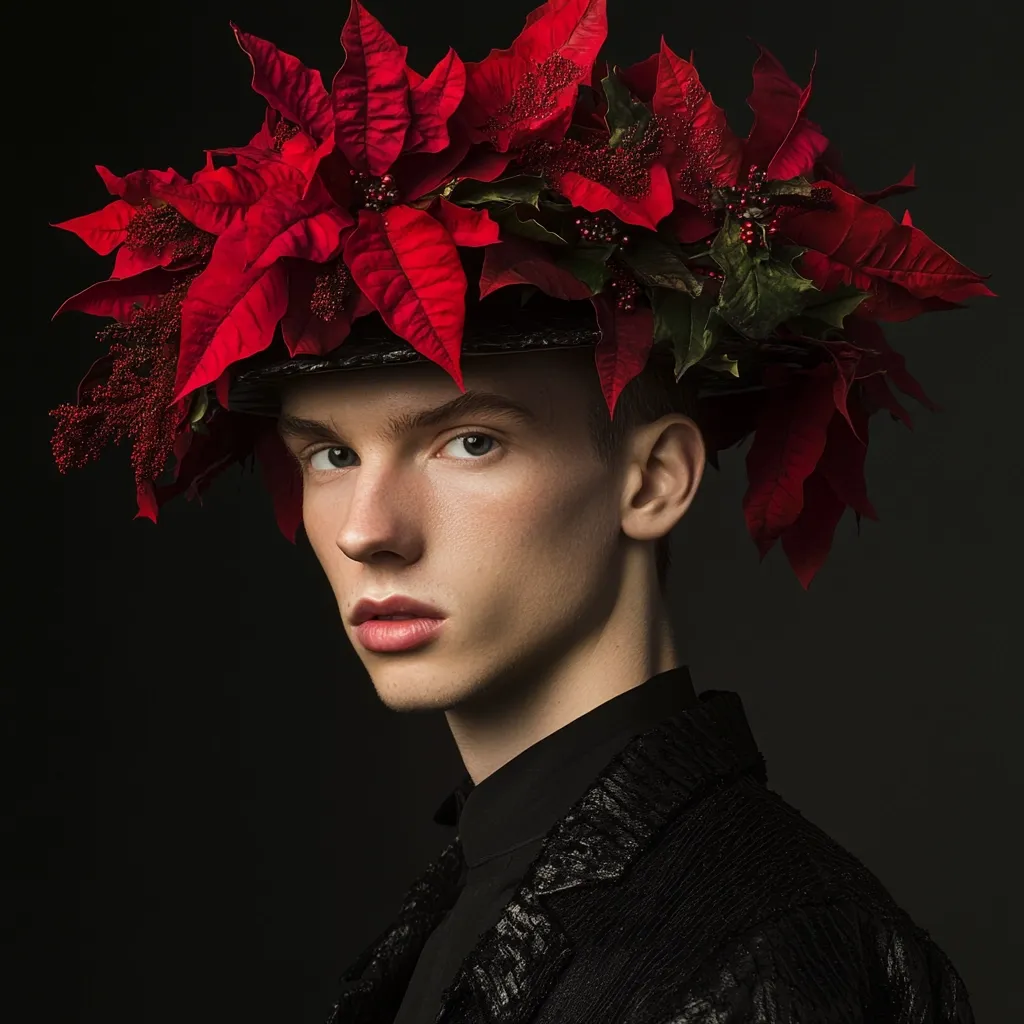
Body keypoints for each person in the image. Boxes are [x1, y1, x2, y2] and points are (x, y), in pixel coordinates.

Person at [49, 1, 990, 1020]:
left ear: (652, 480)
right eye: (329, 452)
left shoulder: (768, 945)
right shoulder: (480, 899)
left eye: (469, 441)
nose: (368, 528)